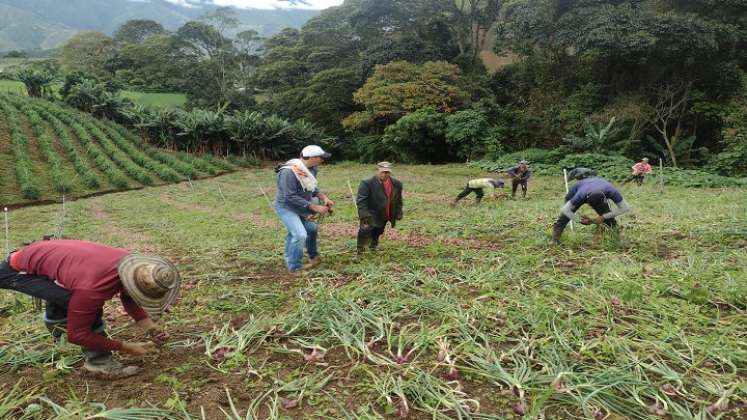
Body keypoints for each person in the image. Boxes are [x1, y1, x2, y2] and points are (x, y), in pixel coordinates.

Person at [0, 239, 180, 378]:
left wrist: (149, 326)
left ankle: (58, 329)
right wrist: (126, 347)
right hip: (17, 271)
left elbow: (128, 294)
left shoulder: (129, 265)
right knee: (82, 306)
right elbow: (77, 334)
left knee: (75, 300)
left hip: (45, 256)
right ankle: (99, 364)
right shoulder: (92, 289)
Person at [274, 145, 335, 273]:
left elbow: (312, 187)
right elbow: (289, 196)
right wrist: (314, 207)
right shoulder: (289, 172)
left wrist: (324, 198)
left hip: (300, 207)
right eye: (321, 158)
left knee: (311, 229)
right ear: (313, 158)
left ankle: (312, 256)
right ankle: (295, 267)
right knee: (300, 234)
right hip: (286, 207)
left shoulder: (311, 170)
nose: (322, 160)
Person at [552, 168, 632, 244]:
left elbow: (625, 207)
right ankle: (555, 239)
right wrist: (579, 219)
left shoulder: (611, 190)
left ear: (605, 197)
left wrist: (603, 216)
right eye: (592, 205)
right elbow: (565, 209)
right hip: (578, 191)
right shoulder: (580, 195)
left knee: (607, 215)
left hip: (596, 192)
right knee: (565, 217)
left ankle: (615, 237)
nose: (594, 207)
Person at [356, 162, 403, 254]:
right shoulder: (367, 183)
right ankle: (360, 250)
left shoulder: (397, 184)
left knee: (379, 230)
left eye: (387, 172)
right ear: (377, 171)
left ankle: (373, 246)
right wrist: (364, 214)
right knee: (365, 230)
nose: (384, 174)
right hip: (371, 211)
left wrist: (399, 211)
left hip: (386, 212)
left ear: (390, 172)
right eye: (382, 172)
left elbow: (398, 199)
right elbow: (361, 200)